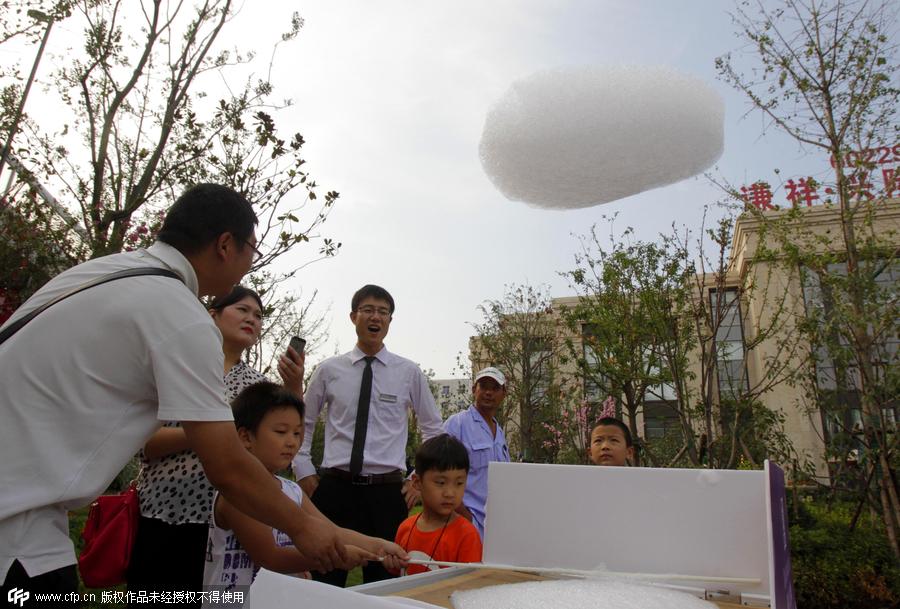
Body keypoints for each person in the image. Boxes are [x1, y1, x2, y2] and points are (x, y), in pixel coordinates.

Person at [0, 184, 347, 602]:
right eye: (250, 249)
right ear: (225, 244)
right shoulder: (179, 313)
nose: (248, 267)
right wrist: (304, 528)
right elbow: (229, 466)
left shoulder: (101, 273)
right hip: (17, 533)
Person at [126, 285, 305, 601]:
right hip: (161, 511)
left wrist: (293, 389)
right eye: (242, 310)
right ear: (212, 315)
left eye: (258, 315)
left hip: (226, 521)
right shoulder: (178, 368)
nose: (252, 318)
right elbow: (145, 443)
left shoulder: (258, 388)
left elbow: (277, 451)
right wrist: (212, 429)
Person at [292, 284, 444, 586]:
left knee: (384, 584)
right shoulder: (328, 370)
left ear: (390, 321)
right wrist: (303, 470)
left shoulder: (408, 372)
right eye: (368, 310)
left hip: (386, 495)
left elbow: (433, 429)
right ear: (353, 317)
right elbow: (303, 423)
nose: (376, 317)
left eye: (383, 312)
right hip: (334, 488)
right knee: (322, 578)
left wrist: (418, 480)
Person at [204, 382, 406, 607]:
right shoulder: (239, 492)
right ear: (245, 437)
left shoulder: (292, 490)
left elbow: (331, 531)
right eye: (281, 432)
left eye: (297, 432)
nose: (292, 442)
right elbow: (270, 556)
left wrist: (377, 546)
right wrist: (336, 557)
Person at [394, 434, 482, 576]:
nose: (450, 493)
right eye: (441, 483)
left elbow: (468, 588)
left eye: (459, 483)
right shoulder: (405, 528)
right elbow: (398, 571)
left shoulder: (467, 536)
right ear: (417, 482)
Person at [443, 367, 511, 539]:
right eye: (483, 386)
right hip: (465, 523)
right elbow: (436, 468)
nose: (488, 392)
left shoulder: (500, 433)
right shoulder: (457, 424)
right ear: (474, 390)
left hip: (496, 525)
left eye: (495, 388)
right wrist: (463, 515)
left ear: (504, 394)